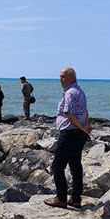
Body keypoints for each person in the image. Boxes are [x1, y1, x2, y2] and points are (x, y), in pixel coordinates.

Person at [44, 68, 90, 209]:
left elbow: (69, 114)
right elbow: (85, 111)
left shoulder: (70, 93)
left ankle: (61, 198)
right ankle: (76, 199)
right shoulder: (80, 91)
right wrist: (85, 127)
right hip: (78, 134)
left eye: (63, 77)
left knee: (57, 166)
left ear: (71, 77)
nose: (60, 79)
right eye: (60, 77)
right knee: (75, 164)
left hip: (69, 133)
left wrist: (83, 128)